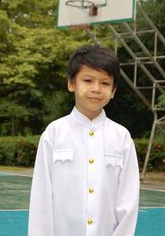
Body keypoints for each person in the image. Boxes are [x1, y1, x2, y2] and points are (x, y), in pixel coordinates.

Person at [28, 44, 140, 236]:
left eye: (105, 83)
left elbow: (128, 203)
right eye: (88, 80)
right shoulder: (53, 134)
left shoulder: (122, 138)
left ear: (113, 91)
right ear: (71, 83)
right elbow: (41, 200)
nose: (96, 89)